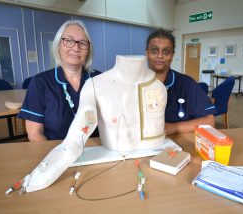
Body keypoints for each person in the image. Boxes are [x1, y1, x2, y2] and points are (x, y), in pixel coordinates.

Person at [21, 55, 167, 192]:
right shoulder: (96, 85)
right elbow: (78, 133)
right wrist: (46, 171)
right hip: (111, 168)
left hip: (156, 165)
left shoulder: (159, 87)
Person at [18, 20, 100, 141]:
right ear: (58, 45)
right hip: (56, 153)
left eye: (83, 43)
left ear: (88, 50)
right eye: (69, 41)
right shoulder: (40, 82)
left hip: (96, 153)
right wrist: (58, 158)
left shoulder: (100, 80)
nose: (76, 48)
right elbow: (35, 134)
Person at [145, 29, 216, 135]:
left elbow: (209, 122)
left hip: (177, 144)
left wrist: (172, 128)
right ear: (146, 53)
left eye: (166, 51)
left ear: (172, 56)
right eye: (154, 50)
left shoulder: (187, 84)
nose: (160, 56)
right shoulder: (133, 83)